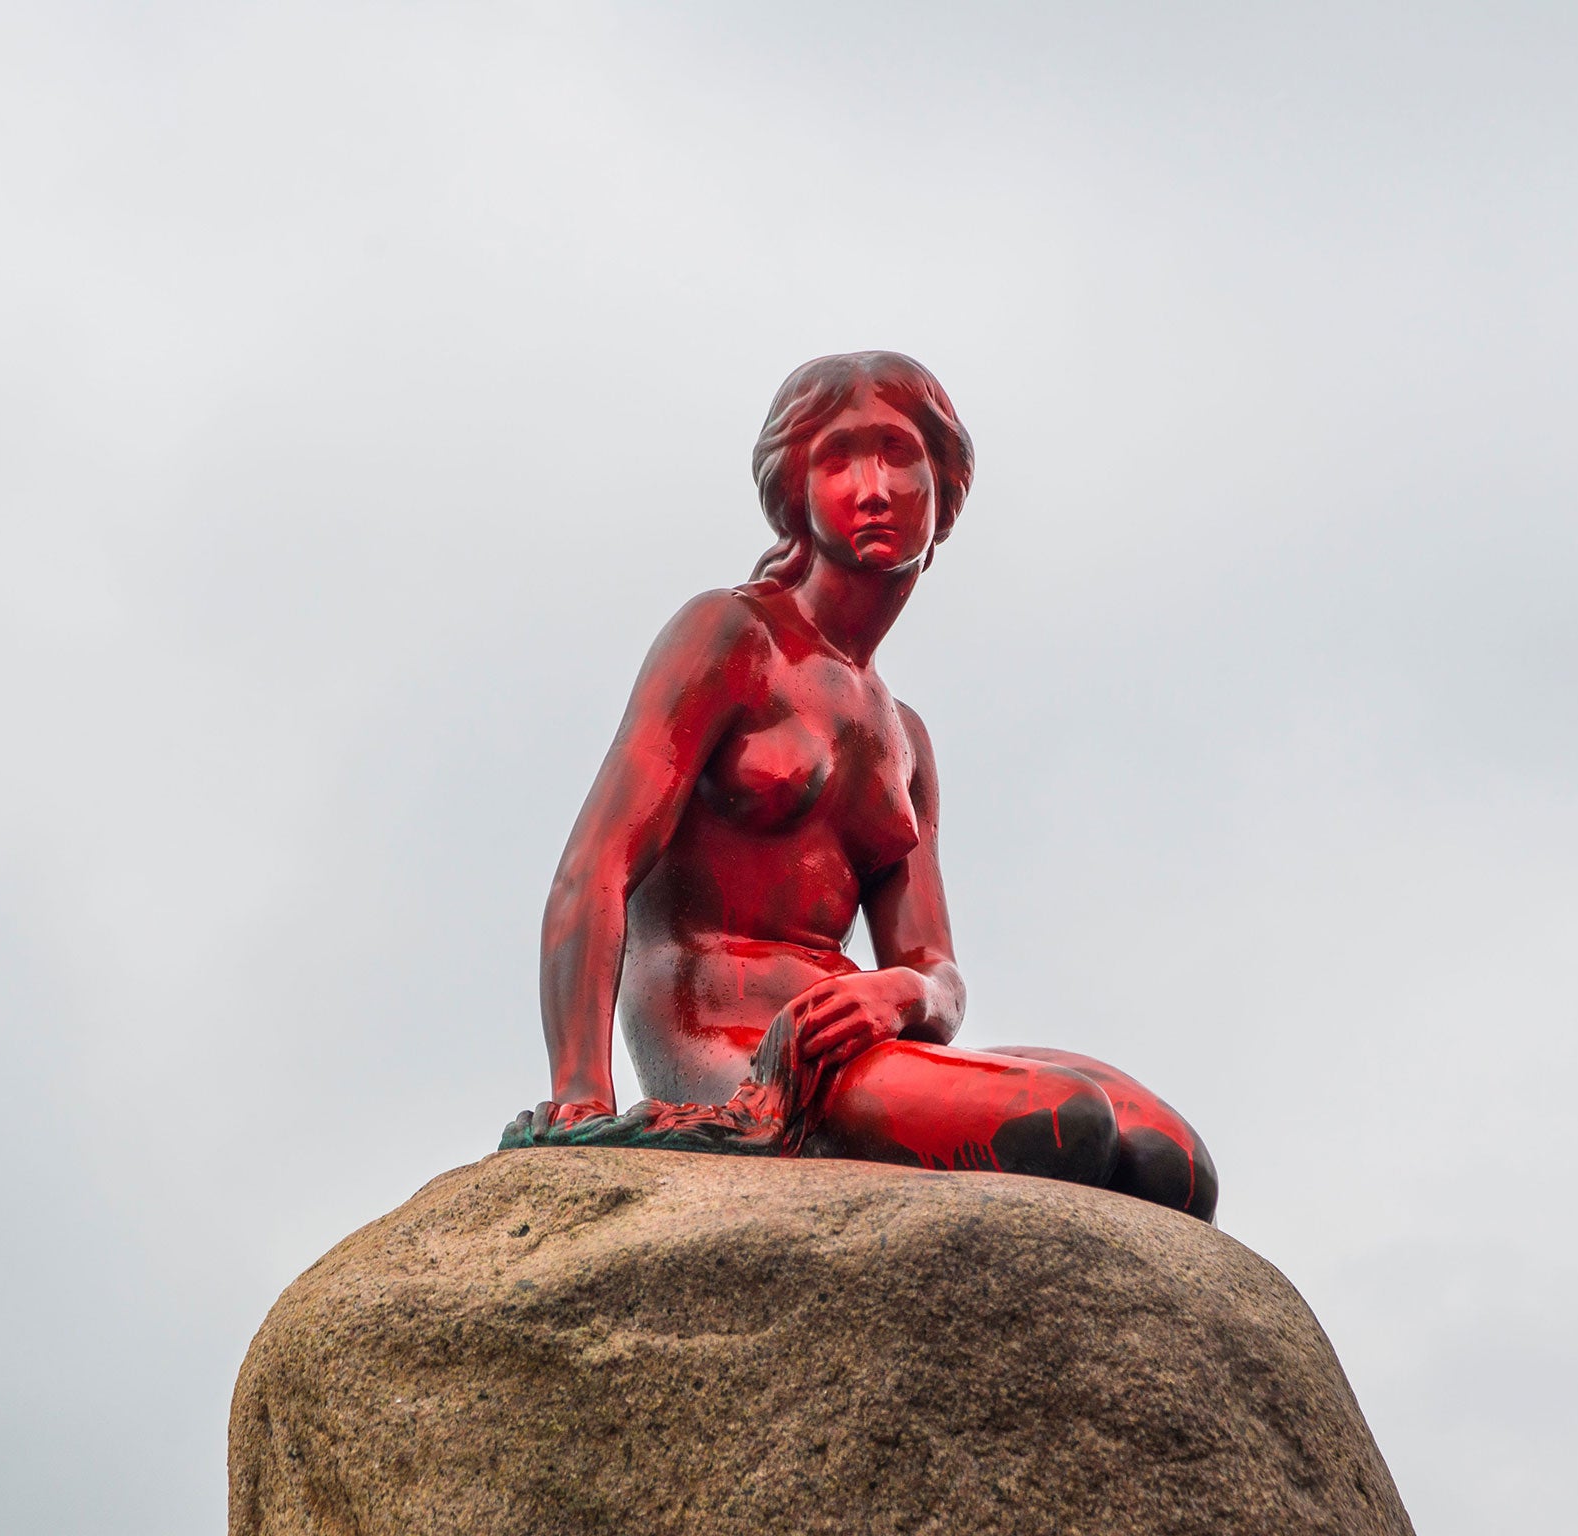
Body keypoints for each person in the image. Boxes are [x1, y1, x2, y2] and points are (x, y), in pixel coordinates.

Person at [509, 352, 1217, 1220]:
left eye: (897, 454)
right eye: (839, 459)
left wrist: (903, 993)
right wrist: (580, 1099)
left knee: (1172, 1158)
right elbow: (595, 870)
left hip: (856, 1039)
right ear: (795, 489)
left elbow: (937, 972)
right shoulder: (730, 636)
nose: (872, 486)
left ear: (942, 484)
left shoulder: (906, 738)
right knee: (1070, 1124)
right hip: (739, 1053)